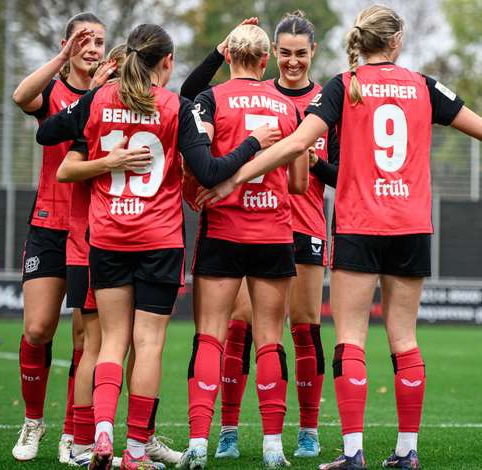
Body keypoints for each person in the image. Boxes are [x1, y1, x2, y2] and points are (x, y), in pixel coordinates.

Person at [196, 5, 482, 469]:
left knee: (350, 338)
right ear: (396, 41)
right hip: (411, 226)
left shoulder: (342, 85)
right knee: (405, 338)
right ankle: (407, 450)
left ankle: (353, 453)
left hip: (359, 225)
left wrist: (232, 179)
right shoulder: (424, 86)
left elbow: (295, 144)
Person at [37, 22, 279, 470]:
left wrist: (96, 126)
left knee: (111, 342)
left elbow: (47, 133)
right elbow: (208, 171)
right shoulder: (174, 106)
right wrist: (252, 143)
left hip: (107, 237)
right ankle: (134, 452)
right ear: (167, 62)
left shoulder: (100, 99)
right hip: (159, 241)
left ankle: (102, 435)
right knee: (147, 344)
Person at [180, 11, 337, 460]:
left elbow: (341, 172)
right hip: (270, 224)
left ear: (313, 54)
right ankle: (231, 430)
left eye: (299, 54)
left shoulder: (327, 101)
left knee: (304, 329)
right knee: (241, 328)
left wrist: (305, 154)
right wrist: (290, 153)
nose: (291, 62)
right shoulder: (275, 101)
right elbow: (192, 98)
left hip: (301, 225)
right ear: (270, 55)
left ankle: (307, 431)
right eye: (284, 53)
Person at [10, 12, 105, 462]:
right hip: (48, 224)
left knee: (86, 341)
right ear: (68, 44)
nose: (92, 48)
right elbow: (20, 96)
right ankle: (33, 422)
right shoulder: (52, 91)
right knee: (38, 328)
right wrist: (59, 59)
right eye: (83, 40)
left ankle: (73, 432)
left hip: (94, 229)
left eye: (99, 41)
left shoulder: (112, 93)